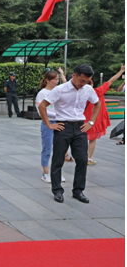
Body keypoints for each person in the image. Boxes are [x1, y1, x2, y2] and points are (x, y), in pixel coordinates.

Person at [38, 64, 101, 204]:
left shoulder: (88, 89)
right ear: (74, 75)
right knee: (58, 159)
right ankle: (57, 191)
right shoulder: (60, 90)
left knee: (82, 159)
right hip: (62, 126)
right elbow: (42, 106)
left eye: (87, 81)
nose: (84, 84)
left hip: (80, 127)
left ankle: (78, 191)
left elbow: (97, 104)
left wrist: (91, 122)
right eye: (82, 80)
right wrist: (49, 124)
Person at [84, 64, 125, 164]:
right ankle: (88, 158)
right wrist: (121, 71)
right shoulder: (98, 91)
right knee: (92, 140)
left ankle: (78, 157)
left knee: (80, 140)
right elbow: (111, 81)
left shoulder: (80, 93)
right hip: (94, 121)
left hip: (82, 120)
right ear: (92, 83)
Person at [36, 70, 66, 183]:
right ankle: (46, 173)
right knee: (47, 148)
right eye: (55, 79)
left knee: (60, 150)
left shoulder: (59, 91)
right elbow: (41, 111)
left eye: (58, 79)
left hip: (60, 122)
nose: (57, 81)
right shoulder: (42, 93)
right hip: (48, 123)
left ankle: (57, 173)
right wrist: (56, 114)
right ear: (47, 80)